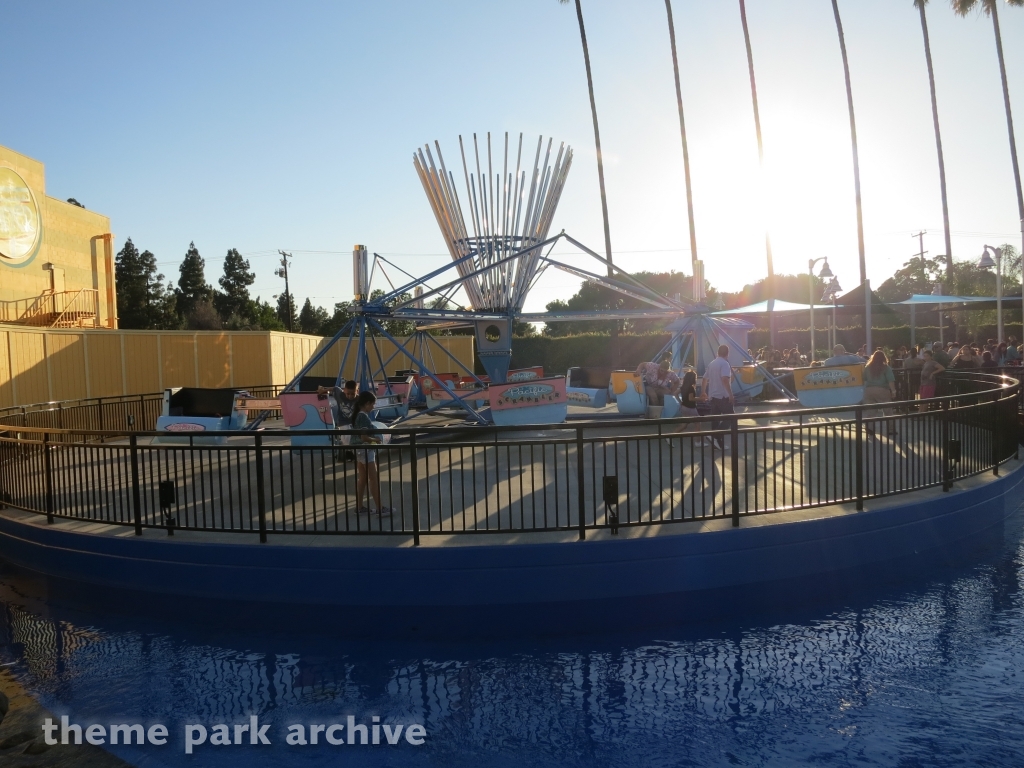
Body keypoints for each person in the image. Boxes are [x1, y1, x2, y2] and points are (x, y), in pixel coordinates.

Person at [351, 391, 392, 516]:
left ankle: (359, 507)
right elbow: (364, 437)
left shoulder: (358, 415)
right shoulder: (363, 416)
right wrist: (376, 440)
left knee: (362, 479)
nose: (373, 407)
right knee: (373, 479)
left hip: (359, 450)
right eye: (373, 404)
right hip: (366, 450)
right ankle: (380, 508)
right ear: (367, 403)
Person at [702, 344, 734, 450]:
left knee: (715, 419)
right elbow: (725, 379)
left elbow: (704, 378)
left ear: (718, 352)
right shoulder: (725, 364)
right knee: (730, 417)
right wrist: (730, 394)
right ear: (728, 354)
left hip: (713, 395)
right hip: (722, 395)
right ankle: (715, 436)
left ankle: (716, 443)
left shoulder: (712, 363)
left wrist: (703, 392)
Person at [862, 349, 896, 436]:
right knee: (888, 410)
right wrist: (893, 391)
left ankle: (870, 429)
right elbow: (890, 380)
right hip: (882, 390)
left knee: (871, 412)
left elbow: (864, 379)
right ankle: (890, 430)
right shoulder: (886, 368)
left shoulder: (868, 367)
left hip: (869, 390)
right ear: (884, 358)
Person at [670, 371, 700, 435]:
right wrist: (701, 399)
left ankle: (670, 436)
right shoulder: (691, 388)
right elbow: (691, 398)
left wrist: (680, 402)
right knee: (698, 423)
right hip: (691, 408)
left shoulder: (683, 387)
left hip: (683, 407)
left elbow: (675, 393)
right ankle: (698, 442)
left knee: (684, 424)